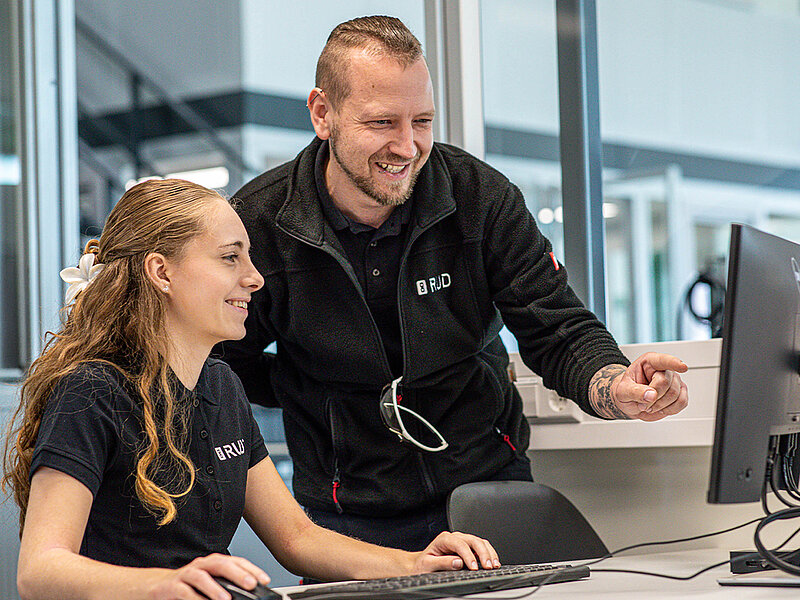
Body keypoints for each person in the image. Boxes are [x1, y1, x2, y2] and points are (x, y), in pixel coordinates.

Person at [218, 16, 689, 553]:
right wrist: (301, 388)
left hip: (488, 488)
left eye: (422, 121)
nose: (407, 146)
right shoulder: (258, 224)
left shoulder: (480, 198)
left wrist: (616, 386)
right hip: (350, 515)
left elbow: (557, 330)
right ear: (323, 114)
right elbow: (223, 359)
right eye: (382, 123)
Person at [1, 179, 500, 600]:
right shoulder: (91, 393)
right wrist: (167, 585)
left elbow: (297, 539)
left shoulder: (221, 386)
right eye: (229, 258)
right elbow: (40, 570)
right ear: (161, 271)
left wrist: (415, 564)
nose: (255, 278)